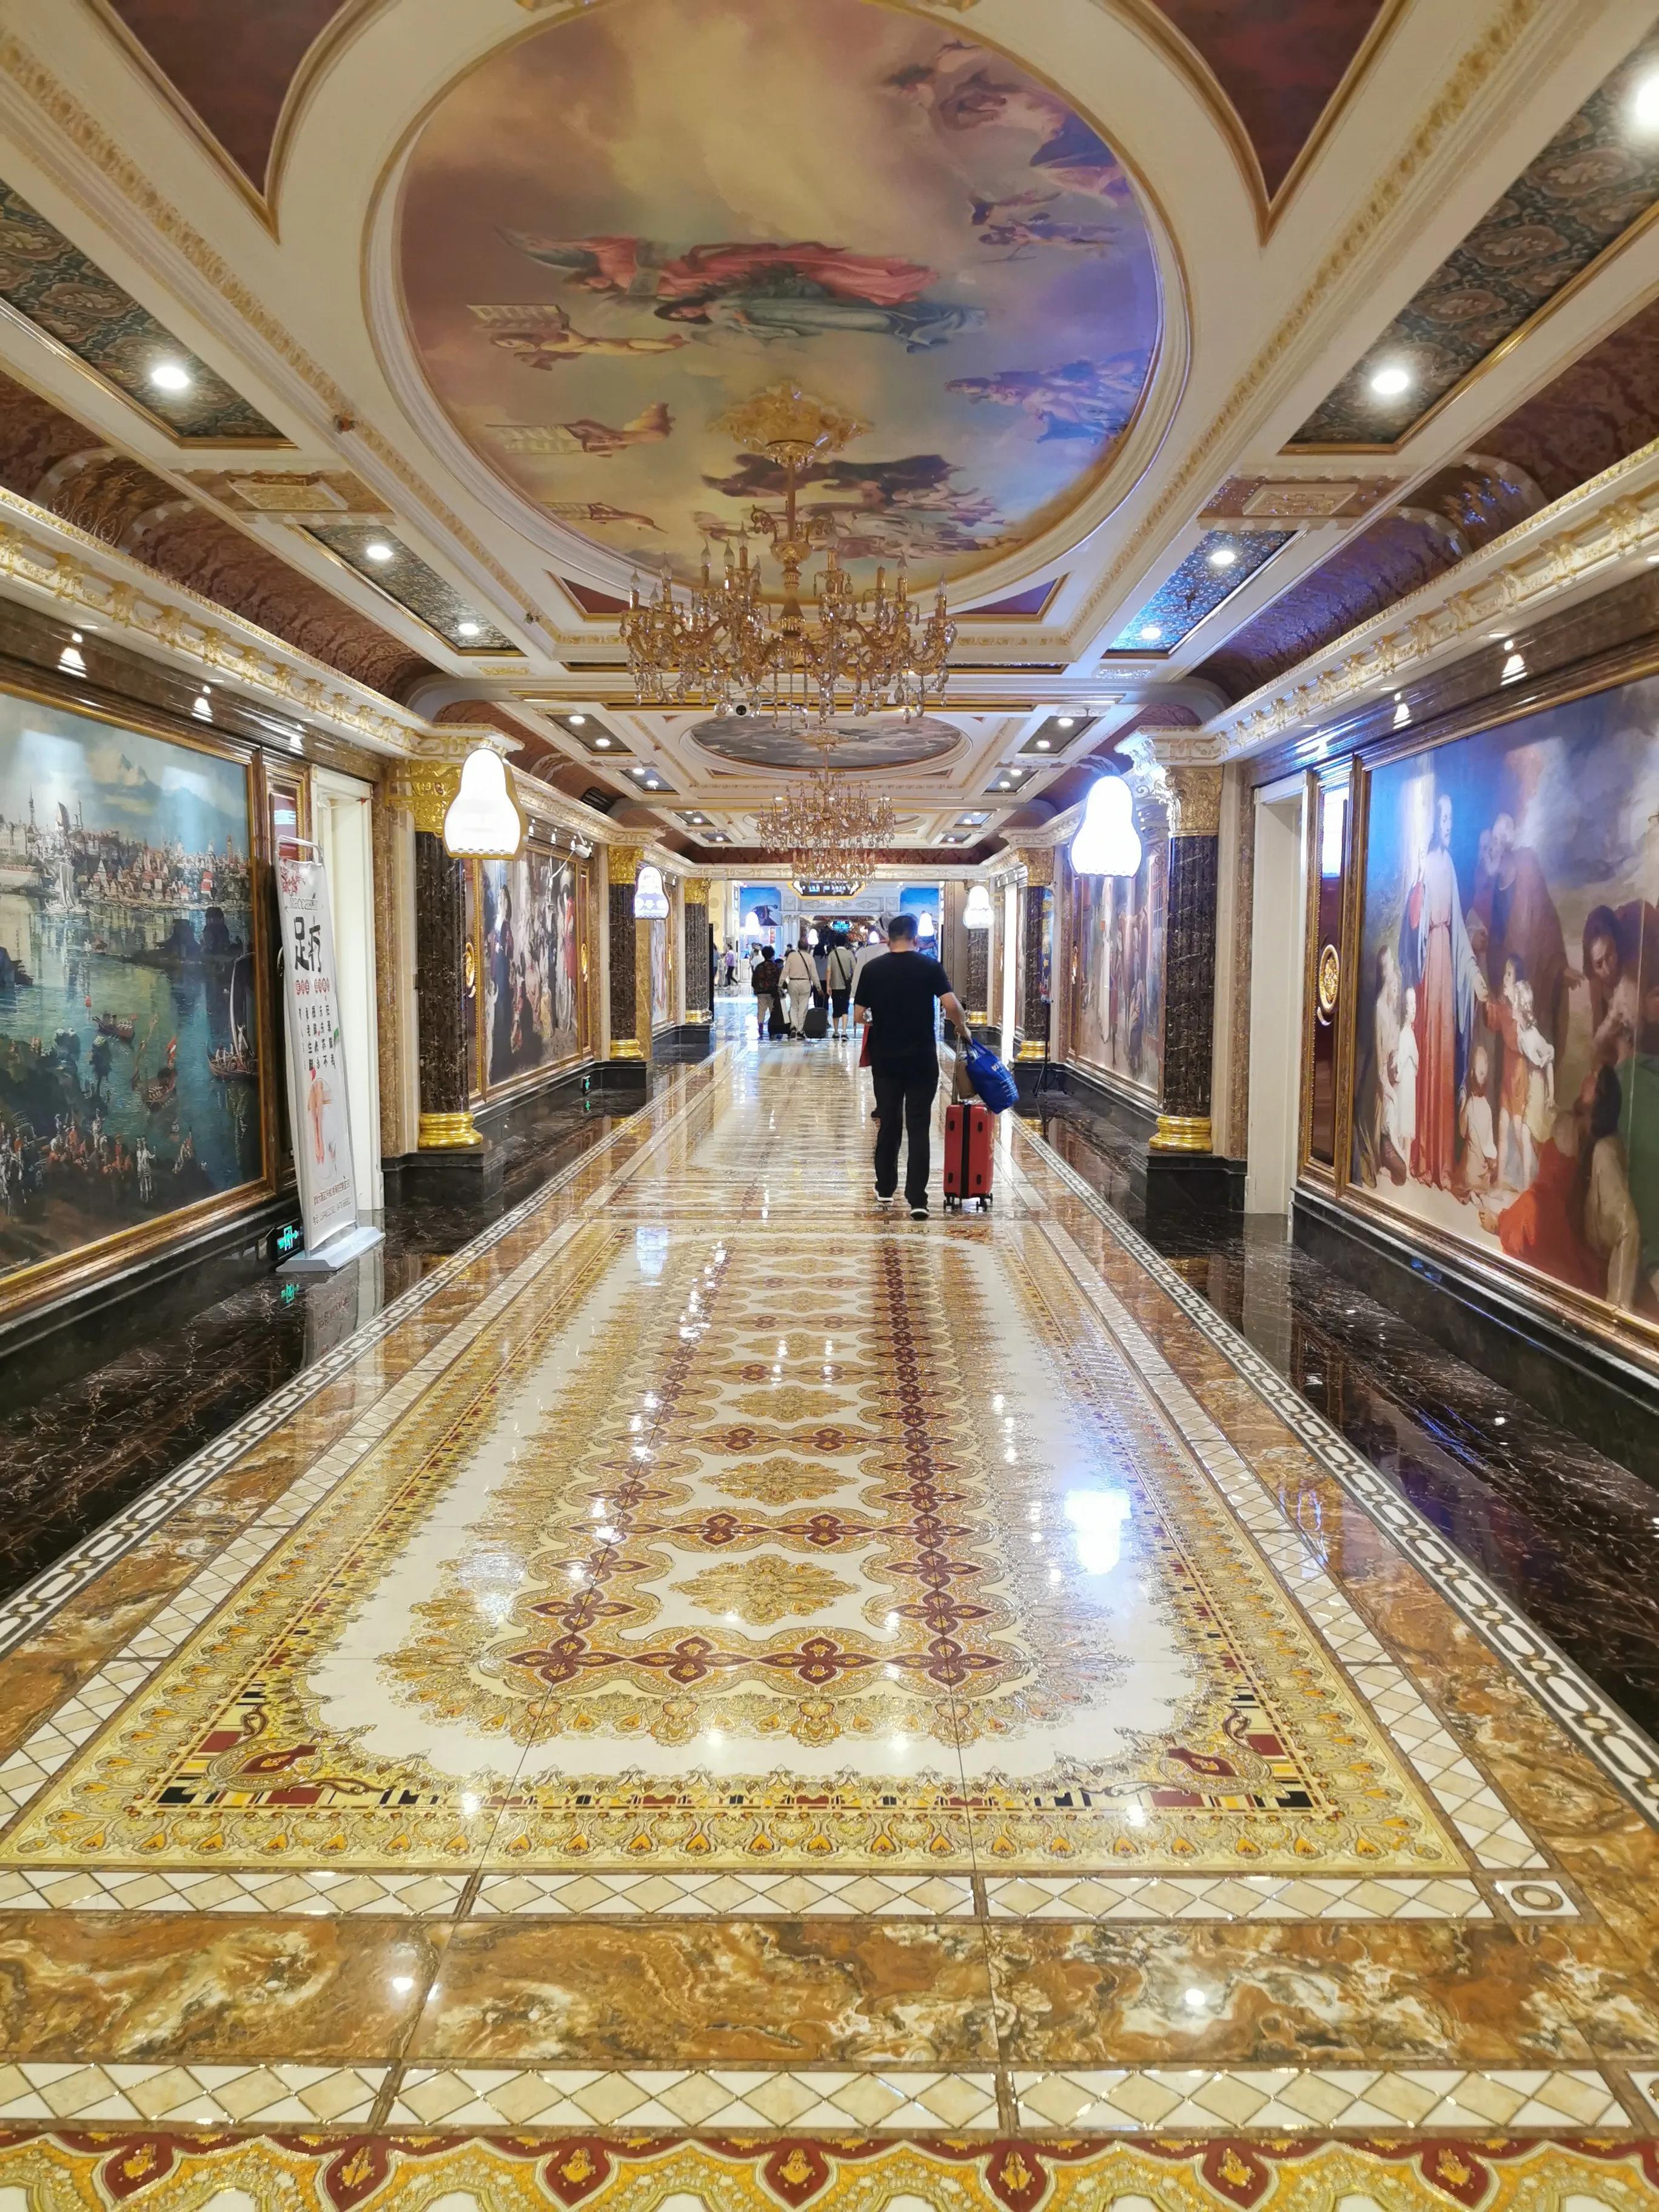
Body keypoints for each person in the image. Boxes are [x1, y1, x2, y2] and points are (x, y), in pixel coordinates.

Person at [854, 914, 969, 1219]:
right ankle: (917, 1199)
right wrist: (963, 1029)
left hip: (885, 1059)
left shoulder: (872, 969)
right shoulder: (930, 967)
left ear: (888, 940)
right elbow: (951, 1005)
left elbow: (859, 1015)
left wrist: (881, 1019)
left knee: (889, 1122)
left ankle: (885, 1188)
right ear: (916, 938)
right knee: (918, 1126)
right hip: (921, 1059)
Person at [780, 939, 817, 1038]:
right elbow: (814, 975)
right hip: (805, 983)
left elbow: (785, 971)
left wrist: (780, 984)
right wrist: (818, 987)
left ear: (798, 946)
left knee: (794, 1006)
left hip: (793, 982)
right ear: (807, 947)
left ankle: (794, 1027)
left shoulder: (792, 956)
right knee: (803, 1007)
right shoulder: (810, 957)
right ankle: (800, 1030)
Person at [826, 933, 857, 1039]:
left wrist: (828, 985)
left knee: (836, 1008)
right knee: (845, 1008)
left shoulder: (832, 955)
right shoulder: (849, 954)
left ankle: (836, 1031)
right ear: (845, 943)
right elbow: (855, 969)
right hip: (846, 986)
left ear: (835, 944)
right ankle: (844, 1031)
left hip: (835, 986)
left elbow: (829, 970)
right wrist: (853, 982)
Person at [752, 945, 780, 1039]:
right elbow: (779, 978)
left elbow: (754, 979)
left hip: (761, 991)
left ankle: (760, 1025)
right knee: (773, 1010)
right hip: (772, 992)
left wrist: (755, 988)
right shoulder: (775, 966)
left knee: (761, 1009)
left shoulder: (759, 967)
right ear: (772, 955)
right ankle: (773, 1027)